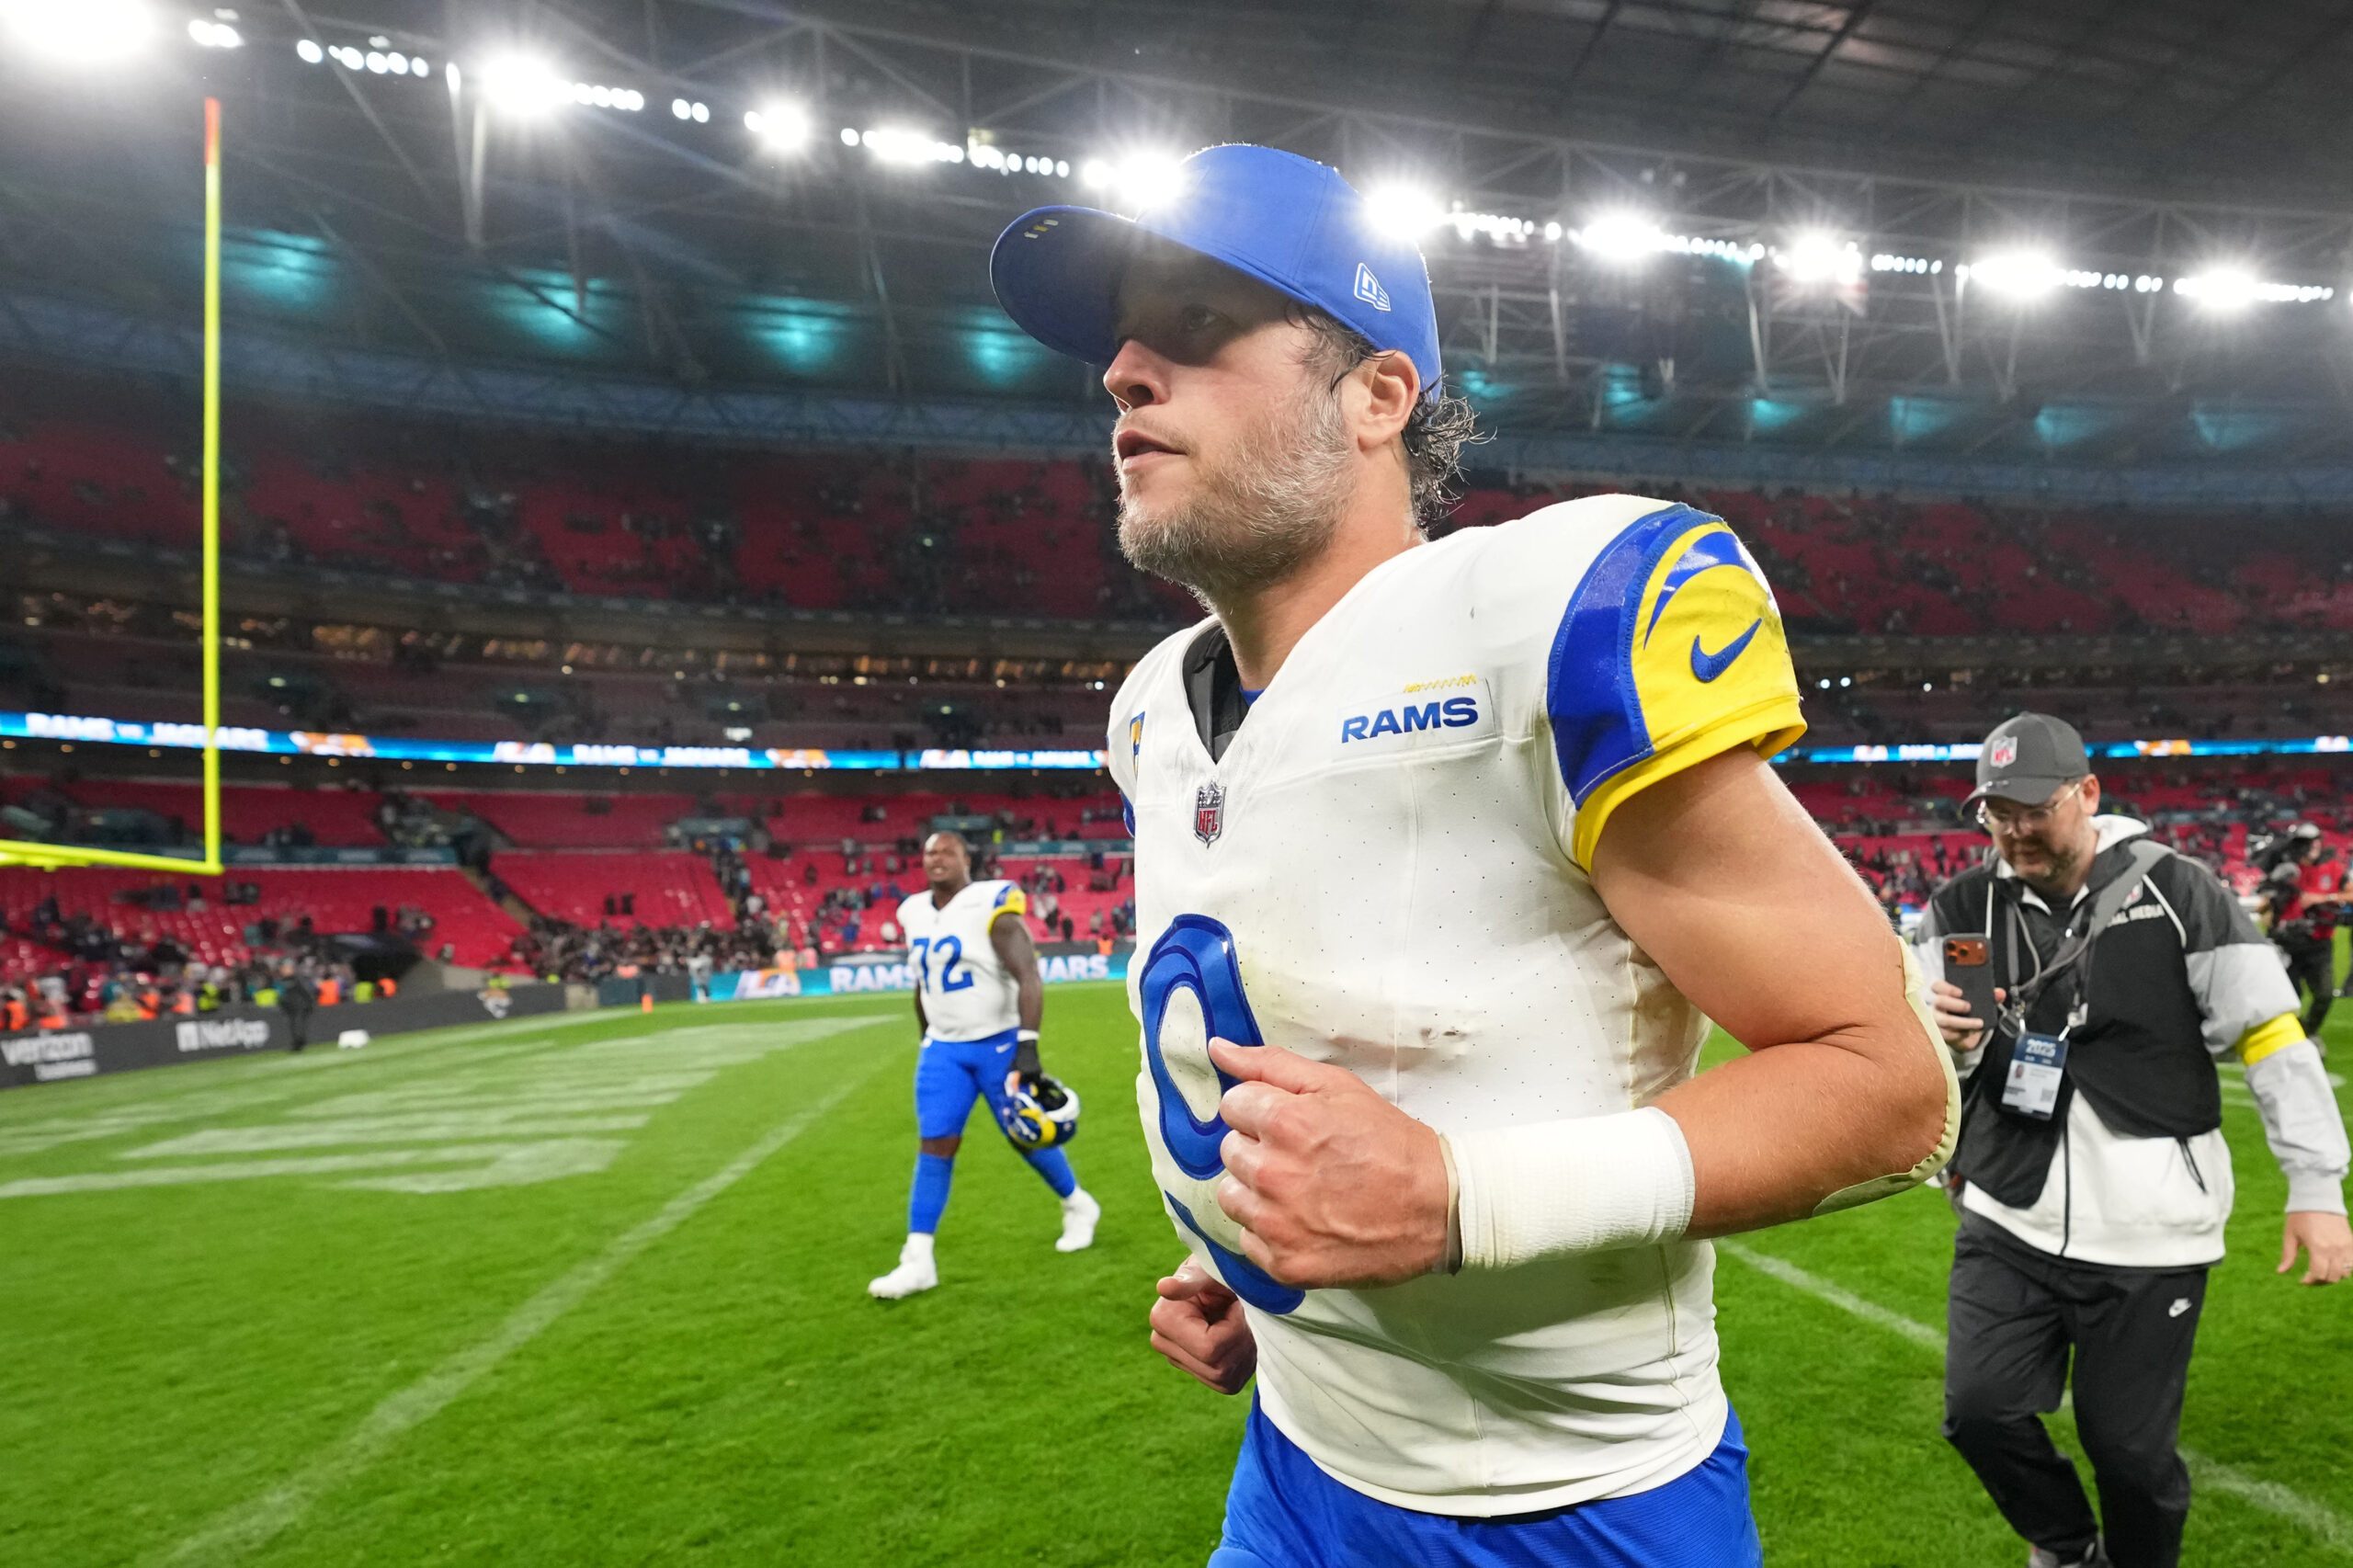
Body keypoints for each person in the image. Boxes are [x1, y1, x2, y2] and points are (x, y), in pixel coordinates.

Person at [990, 143, 1959, 1565]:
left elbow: (1889, 1085)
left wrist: (1459, 1199)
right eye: (1123, 342)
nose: (1125, 373)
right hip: (1296, 1463)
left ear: (1379, 396)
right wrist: (1252, 1264)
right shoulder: (1152, 710)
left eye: (1195, 324)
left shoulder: (1540, 620)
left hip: (1575, 1505)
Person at [1918, 713, 2351, 1568]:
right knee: (1980, 1412)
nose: (2015, 830)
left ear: (2087, 793)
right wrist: (1950, 1047)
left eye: (2034, 809)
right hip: (2007, 1215)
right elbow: (1934, 1063)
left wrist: (2316, 1187)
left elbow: (2271, 1036)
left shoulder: (2183, 891)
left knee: (2128, 1453)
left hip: (2153, 1233)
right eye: (1997, 812)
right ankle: (2067, 1546)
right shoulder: (1960, 907)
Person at [868, 831, 1100, 1300]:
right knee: (935, 1144)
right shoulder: (912, 911)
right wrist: (926, 1035)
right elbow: (923, 982)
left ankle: (1077, 1204)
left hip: (997, 1042)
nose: (937, 859)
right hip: (944, 1048)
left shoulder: (990, 902)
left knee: (1024, 1133)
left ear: (965, 859)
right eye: (929, 852)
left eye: (947, 851)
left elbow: (1028, 975)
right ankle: (918, 1259)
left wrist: (1027, 1044)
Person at [2252, 823, 2342, 1042]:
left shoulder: (2332, 868)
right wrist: (2276, 890)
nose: (2312, 847)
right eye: (2306, 843)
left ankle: (2308, 1031)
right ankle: (2297, 1036)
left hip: (2319, 942)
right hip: (2288, 944)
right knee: (2290, 997)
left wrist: (2323, 898)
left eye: (2314, 841)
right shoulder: (2284, 869)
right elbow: (2262, 909)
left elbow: (2349, 894)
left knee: (2324, 994)